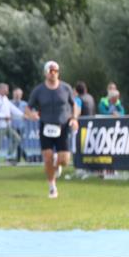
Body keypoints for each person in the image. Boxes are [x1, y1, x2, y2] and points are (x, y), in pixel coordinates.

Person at [25, 61, 79, 199]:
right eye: (51, 71)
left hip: (63, 126)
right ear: (45, 73)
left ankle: (58, 162)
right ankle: (52, 187)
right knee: (47, 158)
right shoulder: (39, 90)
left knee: (65, 160)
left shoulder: (66, 88)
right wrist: (32, 115)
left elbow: (74, 105)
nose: (53, 73)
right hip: (46, 126)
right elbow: (28, 108)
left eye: (55, 71)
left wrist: (74, 118)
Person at [0, 83, 17, 163]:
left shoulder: (5, 98)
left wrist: (23, 115)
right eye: (6, 89)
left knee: (17, 139)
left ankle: (8, 156)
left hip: (6, 125)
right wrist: (4, 116)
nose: (7, 91)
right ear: (0, 89)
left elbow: (12, 108)